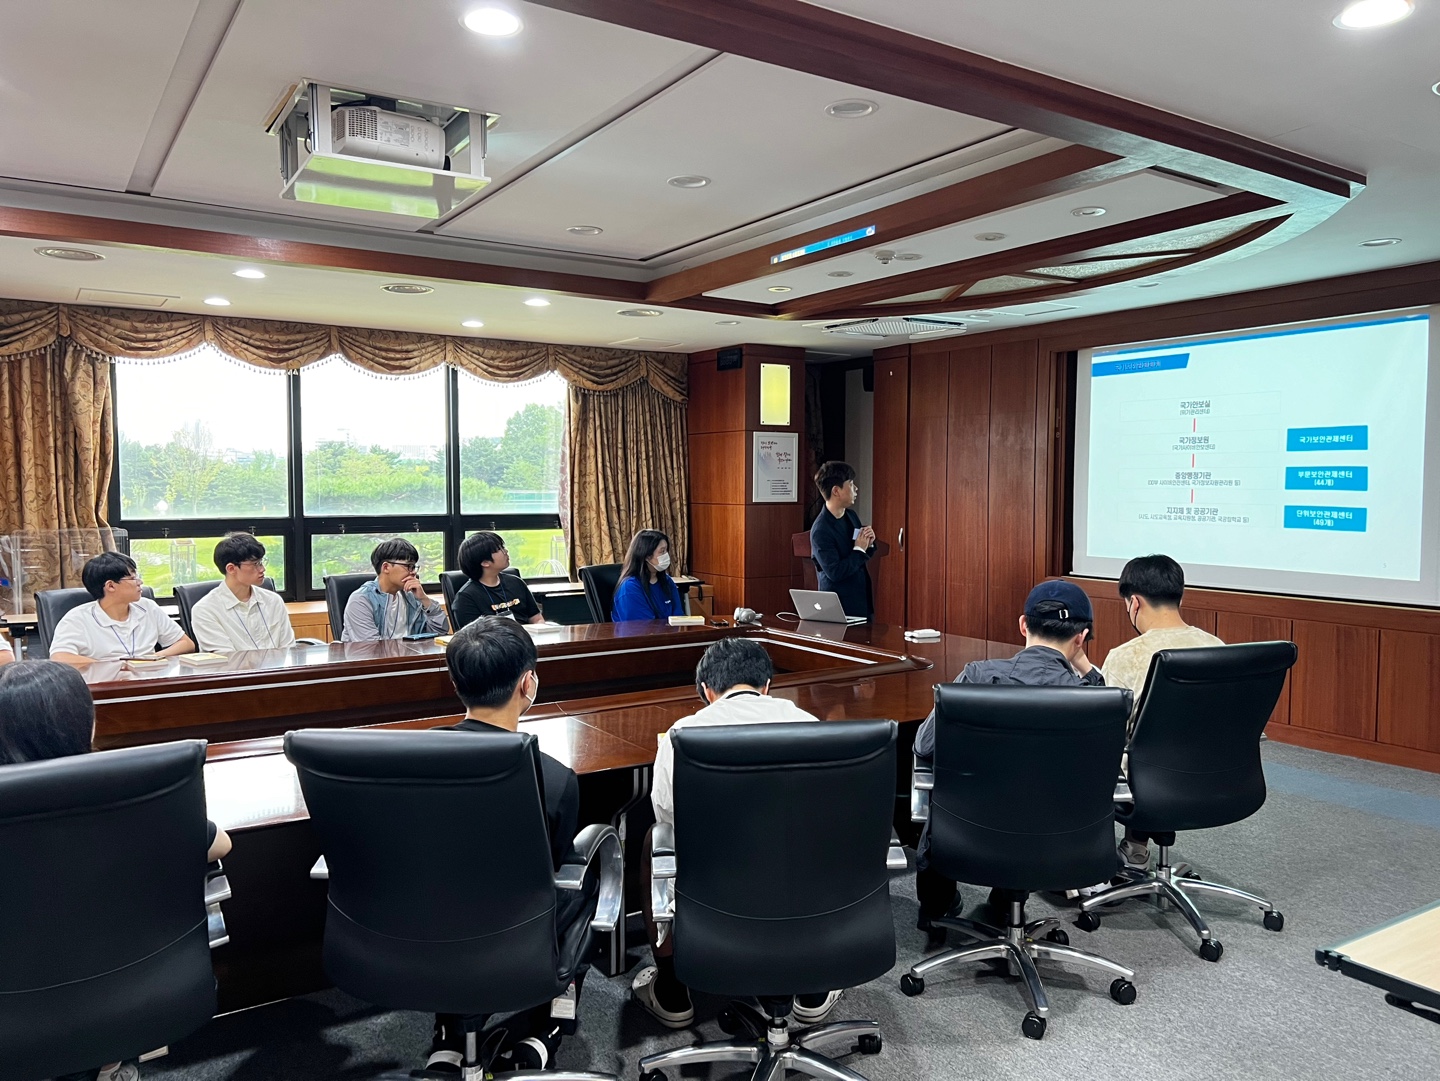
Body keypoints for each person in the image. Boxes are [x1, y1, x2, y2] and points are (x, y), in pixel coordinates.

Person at [0, 660, 230, 1081]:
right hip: (131, 991)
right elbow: (220, 844)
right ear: (87, 725)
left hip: (17, 1012)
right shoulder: (130, 789)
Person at [632, 637, 842, 1030]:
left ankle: (672, 990)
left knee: (653, 842)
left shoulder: (683, 734)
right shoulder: (809, 725)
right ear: (767, 685)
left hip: (714, 896)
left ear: (706, 691)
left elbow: (668, 820)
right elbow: (828, 815)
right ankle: (813, 989)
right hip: (801, 890)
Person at [425, 617, 585, 1075]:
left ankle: (451, 1035)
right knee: (584, 880)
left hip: (421, 933)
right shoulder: (555, 780)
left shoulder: (405, 761)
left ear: (456, 684)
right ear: (527, 683)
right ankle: (544, 1028)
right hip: (519, 942)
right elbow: (552, 871)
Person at [911, 580, 1105, 940]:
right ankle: (1006, 904)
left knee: (951, 792)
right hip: (1060, 841)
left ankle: (936, 908)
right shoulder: (1094, 698)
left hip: (970, 834)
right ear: (1081, 638)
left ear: (1022, 625)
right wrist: (1085, 667)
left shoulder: (977, 676)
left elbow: (924, 745)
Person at [1102, 554, 1224, 871]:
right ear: (1179, 596)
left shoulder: (1126, 656)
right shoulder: (1217, 646)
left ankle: (1102, 859)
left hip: (1147, 785)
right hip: (1221, 779)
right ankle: (1136, 846)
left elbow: (1109, 734)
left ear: (1134, 603)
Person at [49, 552, 194, 666]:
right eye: (133, 578)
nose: (140, 582)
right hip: (104, 684)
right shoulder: (77, 618)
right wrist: (115, 667)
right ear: (111, 586)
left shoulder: (147, 607)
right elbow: (60, 658)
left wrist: (150, 659)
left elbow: (186, 644)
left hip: (149, 680)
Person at [189, 533, 296, 653]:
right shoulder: (205, 610)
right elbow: (226, 657)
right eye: (255, 564)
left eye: (261, 562)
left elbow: (288, 648)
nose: (262, 569)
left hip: (278, 665)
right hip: (236, 666)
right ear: (231, 569)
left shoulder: (273, 601)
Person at [341, 538, 448, 642]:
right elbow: (371, 647)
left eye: (414, 567)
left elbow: (440, 633)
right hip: (382, 654)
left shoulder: (411, 597)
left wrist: (424, 599)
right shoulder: (361, 600)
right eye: (409, 566)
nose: (413, 572)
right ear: (386, 567)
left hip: (411, 653)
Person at [809, 461, 875, 619]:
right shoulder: (820, 530)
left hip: (861, 601)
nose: (856, 488)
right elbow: (835, 572)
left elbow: (862, 554)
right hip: (837, 608)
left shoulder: (851, 516)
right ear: (836, 491)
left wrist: (869, 542)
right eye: (851, 484)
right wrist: (859, 549)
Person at [452, 531, 543, 629]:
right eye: (499, 549)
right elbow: (473, 635)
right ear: (485, 562)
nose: (505, 551)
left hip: (527, 636)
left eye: (503, 547)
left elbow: (537, 618)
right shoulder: (466, 597)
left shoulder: (516, 582)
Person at [610, 529, 683, 622]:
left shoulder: (667, 581)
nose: (667, 555)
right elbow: (643, 626)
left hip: (668, 631)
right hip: (643, 631)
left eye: (666, 550)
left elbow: (678, 616)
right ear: (647, 556)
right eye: (662, 551)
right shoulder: (630, 587)